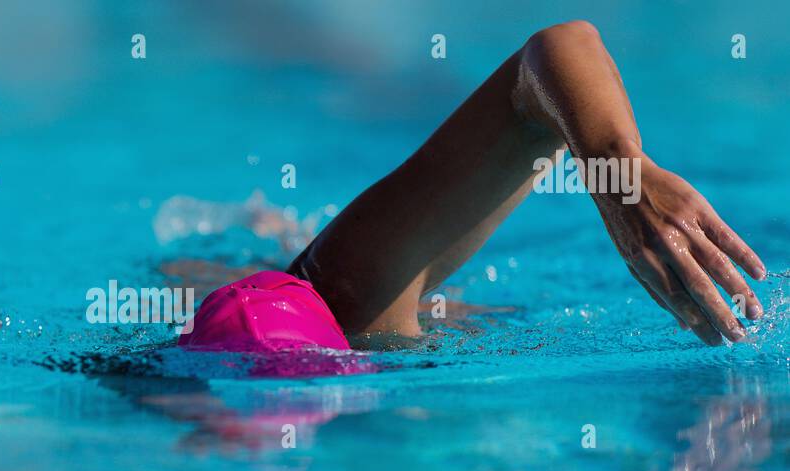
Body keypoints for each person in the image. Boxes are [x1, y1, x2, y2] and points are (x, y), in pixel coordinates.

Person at [180, 20, 766, 353]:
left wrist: (621, 170)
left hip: (345, 281)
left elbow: (559, 47)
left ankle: (271, 235)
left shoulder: (354, 294)